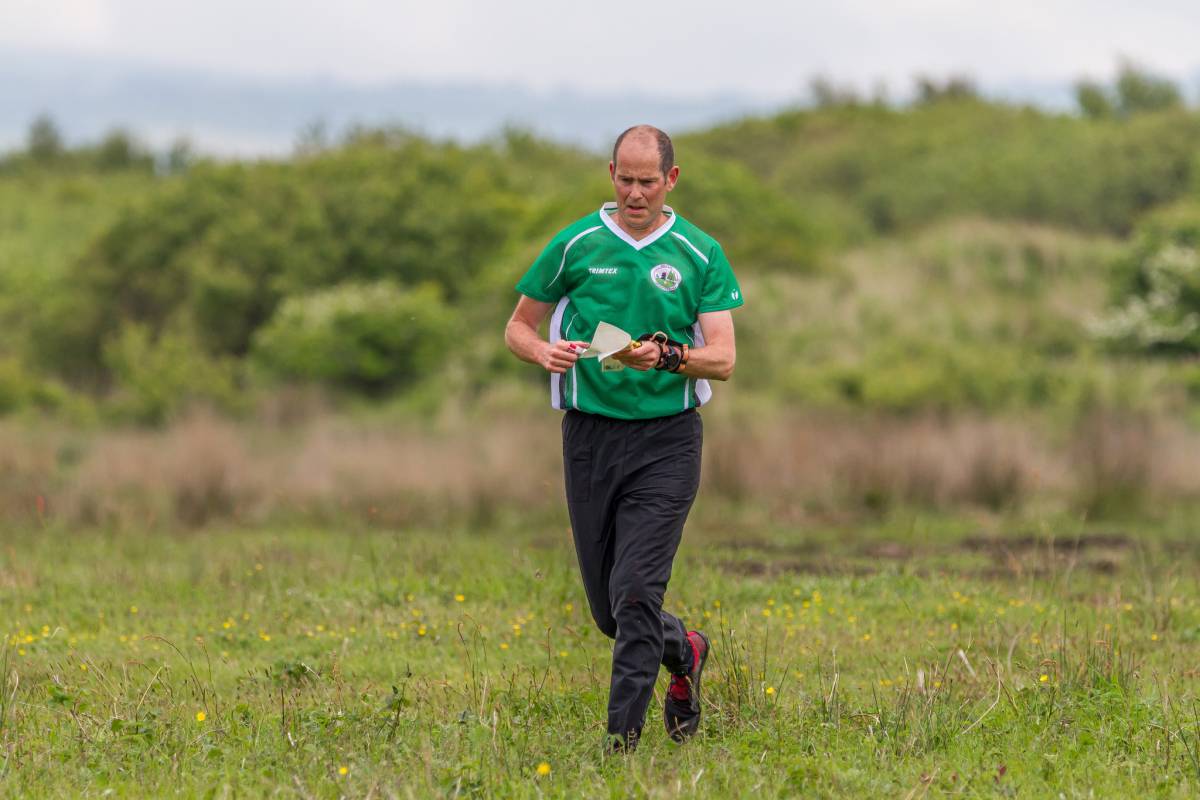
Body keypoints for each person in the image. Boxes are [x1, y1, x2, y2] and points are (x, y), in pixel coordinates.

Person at [504, 125, 743, 751]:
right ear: (611, 173)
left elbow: (721, 359)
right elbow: (517, 327)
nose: (635, 193)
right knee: (611, 614)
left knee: (637, 594)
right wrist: (543, 352)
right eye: (625, 179)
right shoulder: (575, 244)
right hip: (589, 438)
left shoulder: (699, 251)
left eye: (648, 182)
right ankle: (685, 649)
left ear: (672, 179)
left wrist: (662, 358)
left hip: (668, 441)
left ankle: (621, 747)